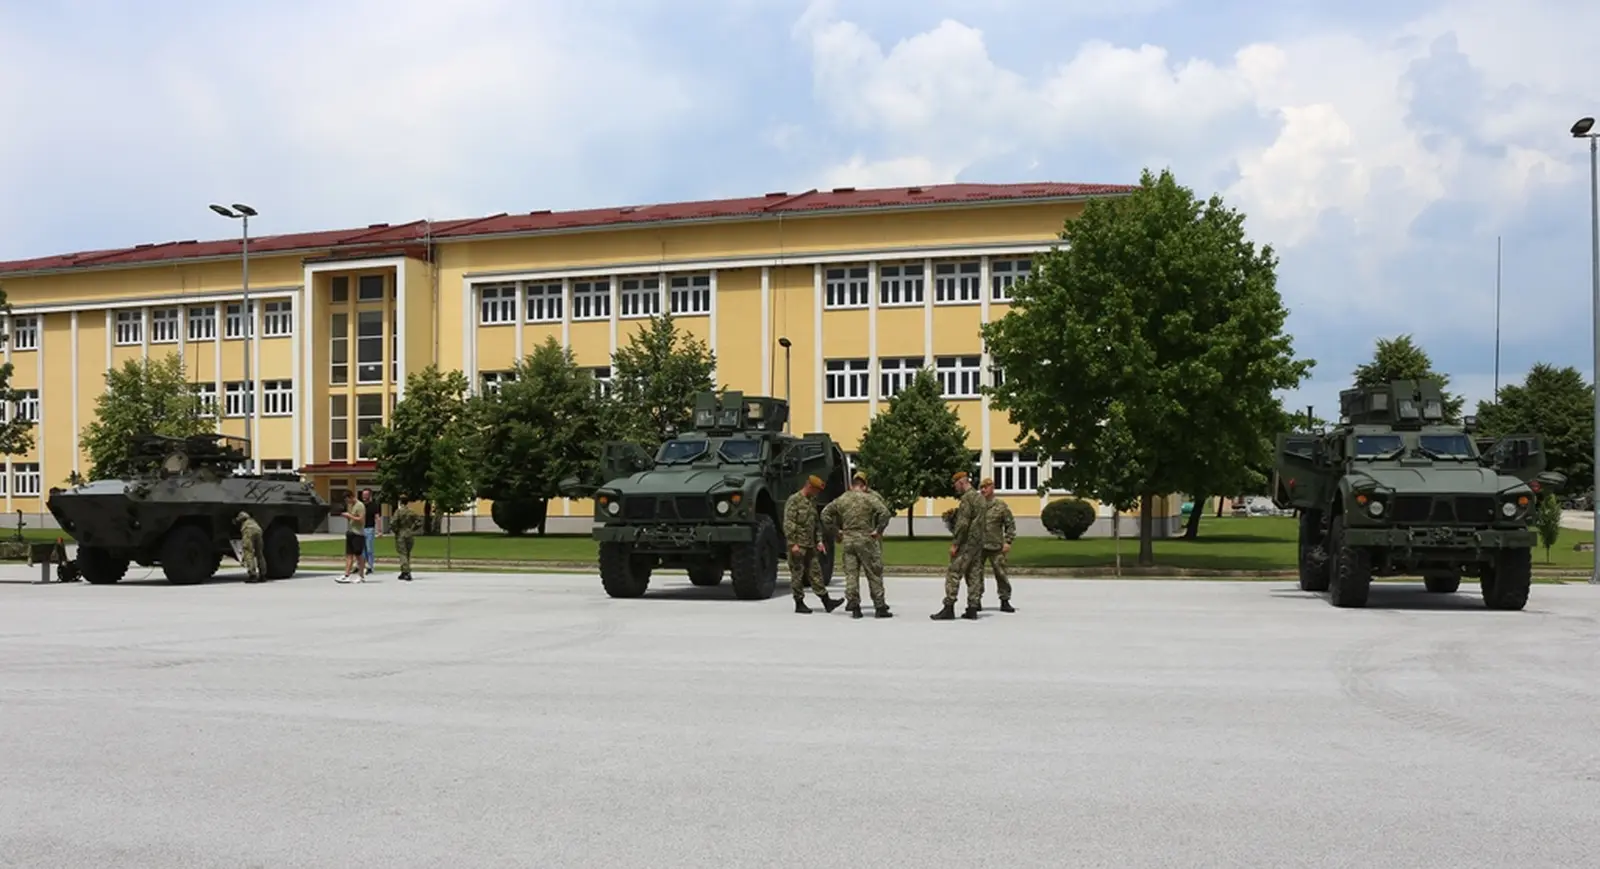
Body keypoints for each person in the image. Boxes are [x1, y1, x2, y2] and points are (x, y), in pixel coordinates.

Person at [820, 471, 893, 618]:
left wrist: (836, 531)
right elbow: (885, 513)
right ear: (864, 486)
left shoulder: (842, 499)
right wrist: (878, 530)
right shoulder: (869, 498)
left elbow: (824, 514)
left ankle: (855, 607)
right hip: (866, 539)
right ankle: (880, 607)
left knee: (851, 574)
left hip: (848, 540)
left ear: (852, 485)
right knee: (873, 573)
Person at [781, 474, 844, 614]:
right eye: (816, 490)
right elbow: (789, 523)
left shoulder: (811, 501)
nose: (817, 493)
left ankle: (827, 601)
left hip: (810, 544)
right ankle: (799, 603)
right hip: (798, 545)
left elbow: (815, 524)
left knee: (816, 573)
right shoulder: (794, 500)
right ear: (809, 486)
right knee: (797, 574)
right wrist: (792, 544)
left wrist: (819, 541)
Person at [931, 470, 986, 620]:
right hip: (977, 542)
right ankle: (973, 608)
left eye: (956, 485)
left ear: (961, 482)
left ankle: (949, 607)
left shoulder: (967, 499)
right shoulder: (980, 498)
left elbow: (963, 524)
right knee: (974, 574)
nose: (955, 488)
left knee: (954, 573)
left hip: (966, 542)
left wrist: (955, 543)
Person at [977, 477, 1017, 612]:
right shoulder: (977, 505)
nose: (983, 490)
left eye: (986, 487)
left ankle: (1005, 600)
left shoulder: (1000, 505)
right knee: (976, 574)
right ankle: (975, 600)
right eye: (981, 487)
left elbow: (1010, 524)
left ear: (992, 488)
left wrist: (1008, 541)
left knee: (1001, 573)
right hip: (978, 546)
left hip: (996, 546)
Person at [337, 491, 367, 583]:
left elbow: (361, 520)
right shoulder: (351, 506)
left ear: (351, 497)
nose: (347, 502)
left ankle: (361, 576)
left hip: (358, 533)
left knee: (358, 555)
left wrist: (349, 516)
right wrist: (348, 517)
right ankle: (346, 575)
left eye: (347, 500)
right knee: (349, 555)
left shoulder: (360, 505)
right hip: (350, 532)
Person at [390, 496, 422, 581]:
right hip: (409, 533)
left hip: (401, 533)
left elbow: (393, 522)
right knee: (407, 553)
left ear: (400, 502)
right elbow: (419, 521)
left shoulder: (398, 511)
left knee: (402, 553)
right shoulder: (411, 512)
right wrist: (413, 528)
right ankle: (404, 571)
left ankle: (407, 572)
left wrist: (396, 530)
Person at [235, 511, 264, 583]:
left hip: (248, 531)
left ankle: (252, 575)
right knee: (259, 553)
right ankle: (262, 574)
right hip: (258, 530)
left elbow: (237, 521)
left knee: (248, 552)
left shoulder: (244, 520)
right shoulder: (253, 521)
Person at [360, 488, 379, 573]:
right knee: (362, 550)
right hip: (361, 529)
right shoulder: (360, 505)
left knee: (369, 549)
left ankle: (370, 566)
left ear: (370, 495)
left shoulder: (373, 505)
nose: (364, 496)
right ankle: (362, 566)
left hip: (370, 529)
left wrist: (379, 530)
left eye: (366, 494)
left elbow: (377, 517)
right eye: (363, 494)